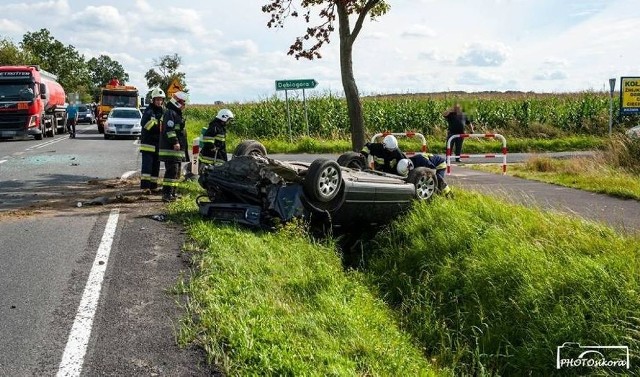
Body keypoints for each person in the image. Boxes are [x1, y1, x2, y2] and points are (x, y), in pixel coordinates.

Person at [159, 91, 188, 202]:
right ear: (177, 102)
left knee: (176, 172)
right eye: (183, 102)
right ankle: (166, 194)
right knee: (171, 171)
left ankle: (173, 193)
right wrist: (175, 141)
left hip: (177, 150)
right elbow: (169, 130)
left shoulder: (176, 113)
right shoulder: (170, 113)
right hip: (171, 149)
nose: (184, 105)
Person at [139, 87, 165, 194]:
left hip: (158, 143)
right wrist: (158, 125)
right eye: (157, 99)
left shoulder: (163, 111)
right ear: (153, 100)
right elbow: (144, 124)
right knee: (147, 167)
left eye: (161, 100)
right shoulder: (149, 111)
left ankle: (153, 186)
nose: (159, 102)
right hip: (148, 144)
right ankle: (145, 187)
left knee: (156, 167)